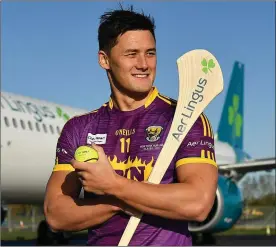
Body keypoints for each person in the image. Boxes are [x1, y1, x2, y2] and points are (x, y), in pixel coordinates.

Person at [44, 5, 218, 246]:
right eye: (131, 54)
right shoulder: (79, 128)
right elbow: (56, 214)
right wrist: (122, 199)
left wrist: (113, 185)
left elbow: (198, 203)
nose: (144, 64)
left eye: (150, 53)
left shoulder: (185, 117)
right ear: (104, 60)